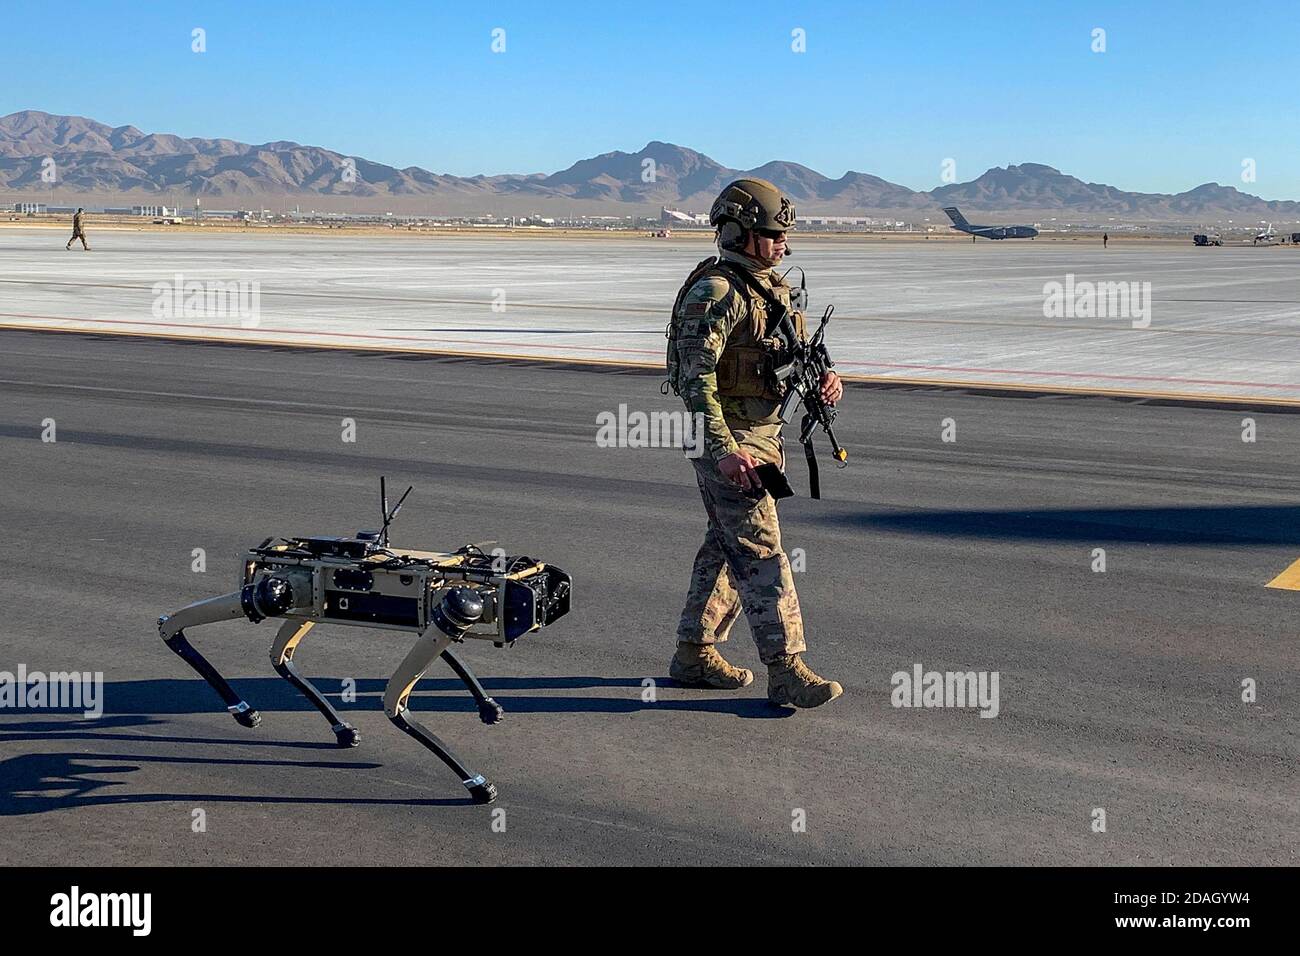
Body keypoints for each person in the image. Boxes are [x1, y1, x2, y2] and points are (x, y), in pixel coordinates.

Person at [664, 178, 844, 708]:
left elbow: (794, 352)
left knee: (726, 546)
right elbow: (693, 382)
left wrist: (826, 379)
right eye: (772, 233)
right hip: (729, 441)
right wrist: (723, 451)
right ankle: (787, 668)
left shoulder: (773, 288)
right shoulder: (716, 292)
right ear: (740, 233)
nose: (783, 243)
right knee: (762, 552)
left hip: (763, 436)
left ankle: (694, 653)